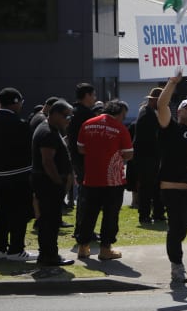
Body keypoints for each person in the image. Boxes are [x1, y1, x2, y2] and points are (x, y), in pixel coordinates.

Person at [156, 72, 187, 285]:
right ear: (179, 111)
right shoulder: (171, 128)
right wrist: (172, 83)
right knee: (177, 231)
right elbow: (161, 105)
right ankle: (177, 269)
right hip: (174, 190)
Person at [75, 99, 134, 260]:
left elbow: (80, 148)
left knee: (88, 213)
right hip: (112, 180)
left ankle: (83, 246)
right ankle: (105, 248)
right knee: (110, 215)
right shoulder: (120, 128)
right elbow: (129, 154)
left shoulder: (87, 124)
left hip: (91, 178)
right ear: (121, 112)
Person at [30, 100, 75, 266]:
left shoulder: (51, 129)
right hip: (48, 183)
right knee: (50, 221)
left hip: (47, 182)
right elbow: (47, 162)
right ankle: (49, 256)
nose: (68, 119)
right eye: (65, 116)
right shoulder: (47, 132)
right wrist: (58, 182)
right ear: (54, 114)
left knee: (50, 220)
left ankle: (48, 254)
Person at [0, 88, 36, 261]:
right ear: (15, 102)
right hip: (19, 176)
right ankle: (16, 249)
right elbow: (29, 151)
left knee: (1, 213)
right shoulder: (21, 124)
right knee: (19, 214)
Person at [66, 83, 98, 231]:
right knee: (88, 197)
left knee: (84, 196)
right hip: (86, 160)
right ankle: (84, 230)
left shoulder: (73, 111)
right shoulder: (86, 114)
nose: (95, 98)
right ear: (87, 96)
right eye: (93, 95)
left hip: (77, 159)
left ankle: (81, 228)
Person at [132, 87, 165, 224]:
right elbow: (149, 138)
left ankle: (157, 212)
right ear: (155, 100)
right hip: (147, 156)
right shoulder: (147, 114)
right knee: (147, 187)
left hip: (150, 156)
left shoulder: (147, 112)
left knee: (155, 186)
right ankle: (145, 214)